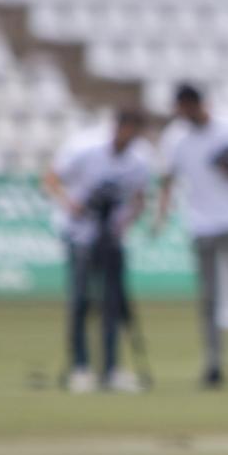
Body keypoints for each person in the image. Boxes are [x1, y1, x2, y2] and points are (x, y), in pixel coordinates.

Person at [155, 84, 228, 388]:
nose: (183, 115)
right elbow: (167, 178)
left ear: (199, 104)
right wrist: (161, 216)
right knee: (210, 298)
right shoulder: (175, 137)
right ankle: (214, 363)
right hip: (202, 223)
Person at [43, 109, 152, 393]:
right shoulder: (84, 148)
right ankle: (81, 367)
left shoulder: (139, 159)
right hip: (79, 234)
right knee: (81, 301)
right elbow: (52, 179)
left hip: (112, 238)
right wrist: (72, 205)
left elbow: (140, 199)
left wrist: (125, 222)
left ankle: (111, 368)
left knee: (113, 303)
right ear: (117, 126)